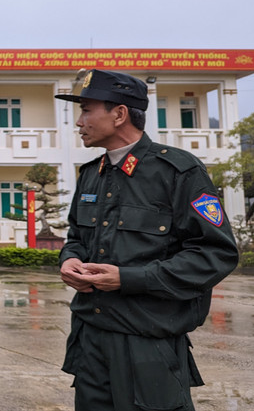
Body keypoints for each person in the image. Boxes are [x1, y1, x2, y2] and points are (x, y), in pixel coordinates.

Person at [56, 69, 239, 411]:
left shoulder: (178, 172)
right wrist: (69, 259)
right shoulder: (91, 175)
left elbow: (216, 253)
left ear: (120, 113)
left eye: (86, 110)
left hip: (147, 342)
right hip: (90, 335)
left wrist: (128, 279)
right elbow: (76, 237)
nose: (79, 122)